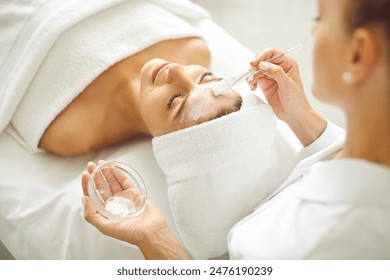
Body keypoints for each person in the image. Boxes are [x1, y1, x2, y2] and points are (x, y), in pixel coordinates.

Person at [81, 0, 390, 259]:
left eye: (320, 18)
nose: (312, 30)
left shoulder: (313, 247)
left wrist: (155, 238)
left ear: (359, 53)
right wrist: (304, 119)